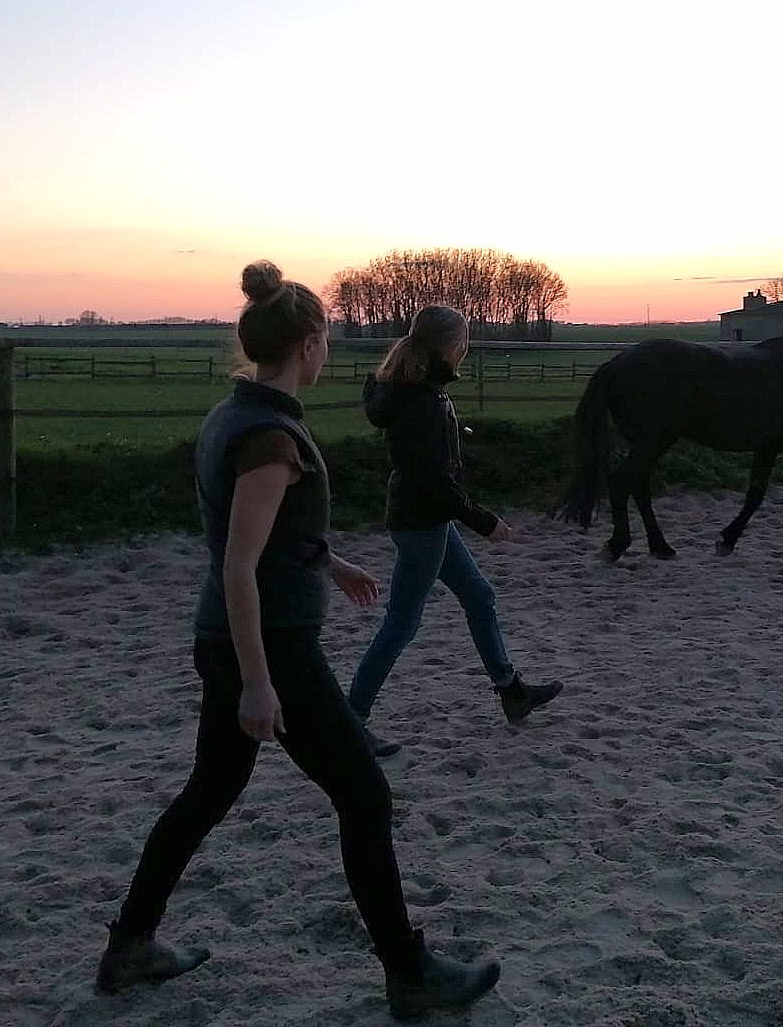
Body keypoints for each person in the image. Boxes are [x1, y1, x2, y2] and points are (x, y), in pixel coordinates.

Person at [94, 263, 500, 1019]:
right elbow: (239, 564)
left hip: (231, 636)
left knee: (208, 792)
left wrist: (331, 560)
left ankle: (130, 945)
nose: (330, 354)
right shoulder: (272, 439)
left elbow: (265, 535)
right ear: (308, 342)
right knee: (365, 795)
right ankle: (410, 975)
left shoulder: (235, 414)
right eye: (327, 342)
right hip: (271, 644)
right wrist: (257, 681)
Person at [349, 304, 564, 755]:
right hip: (422, 523)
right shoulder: (424, 402)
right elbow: (435, 484)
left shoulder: (415, 390)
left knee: (479, 596)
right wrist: (486, 522)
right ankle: (351, 721)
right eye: (463, 340)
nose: (465, 348)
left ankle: (512, 692)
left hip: (425, 520)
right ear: (451, 346)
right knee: (401, 624)